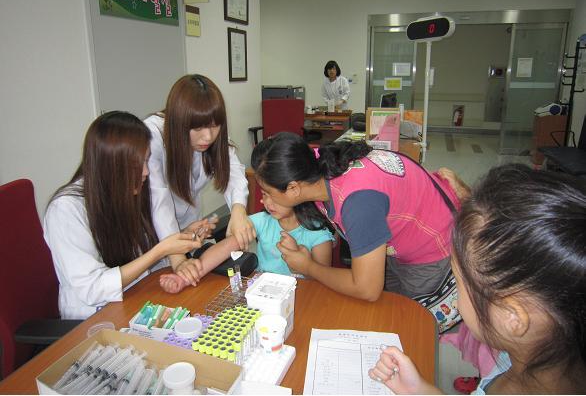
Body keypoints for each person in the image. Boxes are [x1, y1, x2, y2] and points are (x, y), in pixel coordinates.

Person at [369, 164, 586, 394]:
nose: (456, 293)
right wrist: (418, 390)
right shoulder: (535, 357)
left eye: (459, 284)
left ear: (512, 316)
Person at [250, 132, 467, 302]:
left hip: (433, 248)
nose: (263, 198)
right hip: (404, 239)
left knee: (411, 321)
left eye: (267, 192)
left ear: (293, 188)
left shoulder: (357, 202)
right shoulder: (313, 163)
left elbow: (366, 288)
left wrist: (308, 267)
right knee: (389, 305)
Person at [44, 111, 203, 320]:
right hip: (91, 319)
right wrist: (160, 251)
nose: (146, 172)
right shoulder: (65, 210)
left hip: (134, 299)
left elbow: (136, 252)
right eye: (138, 165)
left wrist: (180, 238)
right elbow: (93, 288)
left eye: (147, 161)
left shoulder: (121, 190)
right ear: (112, 165)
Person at [144, 74, 256, 287]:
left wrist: (239, 212)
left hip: (188, 232)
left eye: (215, 126)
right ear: (179, 122)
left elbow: (233, 171)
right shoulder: (153, 135)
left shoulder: (210, 129)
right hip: (155, 236)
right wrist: (177, 258)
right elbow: (158, 201)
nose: (208, 137)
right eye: (197, 129)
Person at [159, 191, 335, 293]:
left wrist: (302, 263)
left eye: (274, 196)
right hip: (262, 291)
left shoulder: (318, 233)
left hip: (301, 295)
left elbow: (322, 278)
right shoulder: (263, 220)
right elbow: (225, 247)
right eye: (264, 194)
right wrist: (186, 276)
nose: (266, 202)